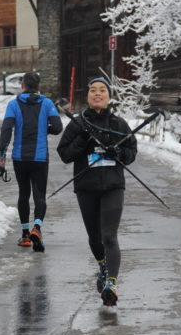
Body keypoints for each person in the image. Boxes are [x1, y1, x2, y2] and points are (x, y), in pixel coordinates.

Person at [57, 77, 137, 306]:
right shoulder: (77, 123)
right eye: (93, 90)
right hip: (87, 187)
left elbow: (132, 152)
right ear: (88, 96)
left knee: (109, 236)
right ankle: (103, 266)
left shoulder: (119, 124)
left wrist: (118, 153)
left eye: (102, 90)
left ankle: (112, 284)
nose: (98, 94)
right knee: (95, 237)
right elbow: (65, 154)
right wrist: (82, 139)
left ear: (109, 96)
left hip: (113, 186)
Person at [0, 72, 63, 251]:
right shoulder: (47, 103)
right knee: (39, 195)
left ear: (22, 86)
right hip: (40, 158)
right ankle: (37, 228)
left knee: (23, 194)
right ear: (39, 86)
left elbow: (6, 129)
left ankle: (25, 235)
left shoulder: (13, 104)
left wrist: (2, 156)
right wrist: (45, 129)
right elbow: (58, 127)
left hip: (20, 158)